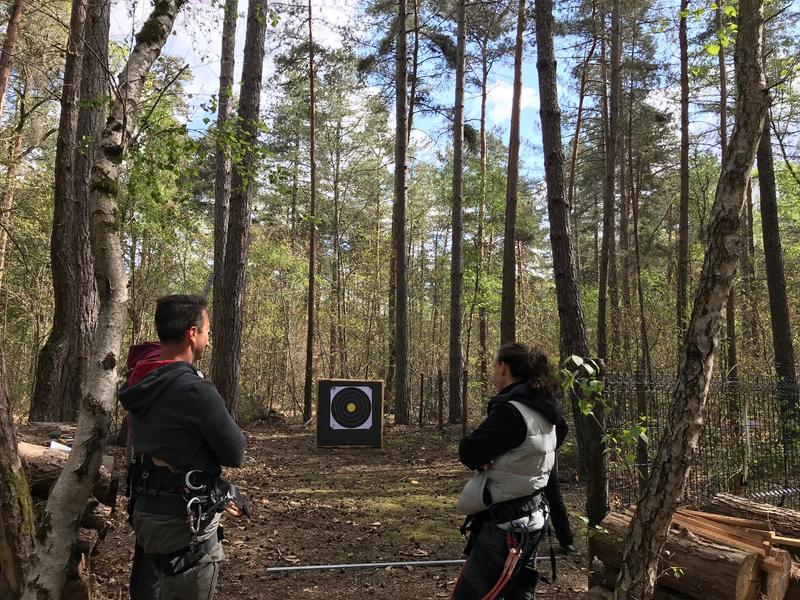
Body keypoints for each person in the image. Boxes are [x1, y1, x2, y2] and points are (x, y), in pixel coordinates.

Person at [120, 294, 247, 600]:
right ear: (192, 333)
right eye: (207, 332)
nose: (208, 340)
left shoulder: (142, 379)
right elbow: (235, 451)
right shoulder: (193, 389)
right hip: (183, 526)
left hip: (147, 517)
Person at [451, 343, 566, 600]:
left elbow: (469, 452)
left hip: (505, 529)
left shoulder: (512, 411)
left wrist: (486, 455)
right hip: (531, 519)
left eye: (495, 366)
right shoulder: (544, 406)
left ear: (503, 367)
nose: (493, 373)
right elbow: (544, 443)